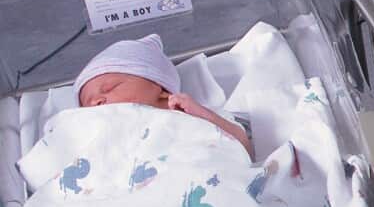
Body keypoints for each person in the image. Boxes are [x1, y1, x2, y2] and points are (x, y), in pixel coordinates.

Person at [74, 34, 252, 156]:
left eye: (109, 88)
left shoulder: (191, 117)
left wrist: (201, 113)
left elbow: (244, 149)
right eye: (86, 103)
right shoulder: (92, 137)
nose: (95, 101)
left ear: (161, 88)